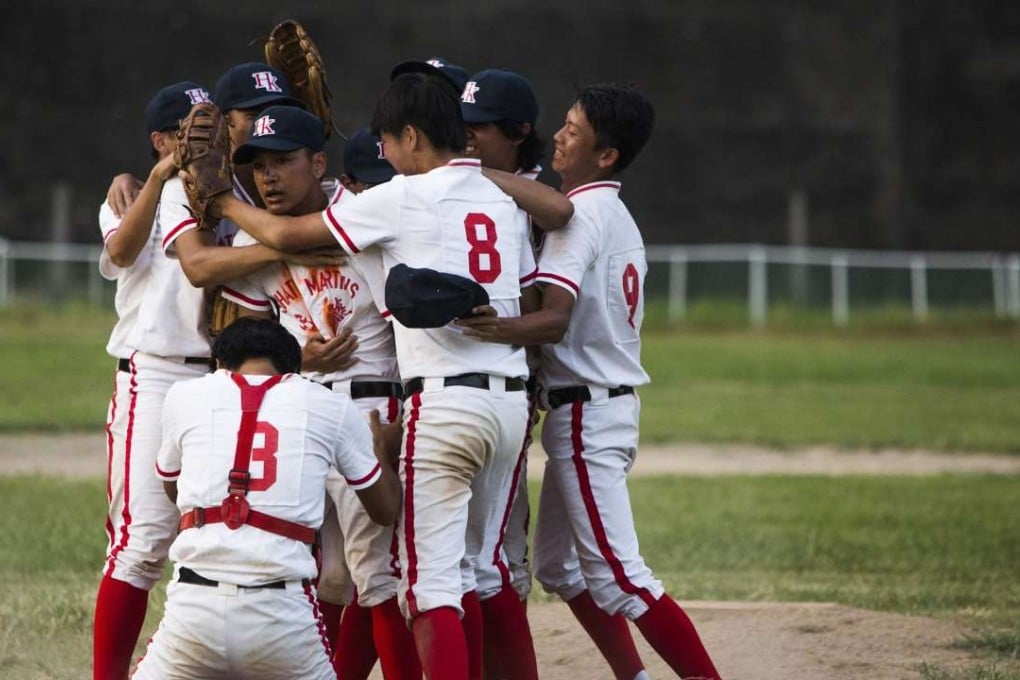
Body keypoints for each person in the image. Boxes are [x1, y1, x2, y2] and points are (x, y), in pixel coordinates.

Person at [199, 72, 575, 680]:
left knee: (424, 587)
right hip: (507, 403)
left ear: (409, 135)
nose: (388, 157)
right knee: (476, 572)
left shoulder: (402, 196)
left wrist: (219, 198)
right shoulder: (501, 200)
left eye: (390, 143)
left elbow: (291, 235)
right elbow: (529, 293)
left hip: (441, 401)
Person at [456, 84, 722, 680]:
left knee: (621, 576)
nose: (560, 135)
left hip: (587, 414)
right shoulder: (615, 211)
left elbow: (553, 320)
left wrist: (486, 329)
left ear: (606, 154)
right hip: (600, 406)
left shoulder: (583, 216)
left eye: (574, 130)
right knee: (558, 568)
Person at [219, 106, 418, 679]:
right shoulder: (258, 230)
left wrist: (403, 410)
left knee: (377, 575)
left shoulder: (361, 218)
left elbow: (405, 326)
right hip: (298, 403)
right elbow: (244, 336)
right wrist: (293, 357)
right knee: (329, 574)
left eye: (283, 161)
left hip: (367, 401)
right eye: (258, 166)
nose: (268, 177)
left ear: (319, 162)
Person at [132, 317, 401, 680]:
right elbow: (385, 511)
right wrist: (383, 450)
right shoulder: (327, 404)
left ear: (218, 364)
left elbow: (172, 488)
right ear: (295, 368)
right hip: (282, 610)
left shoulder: (185, 395)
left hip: (195, 604)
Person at [92, 80, 217, 680]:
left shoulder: (230, 190)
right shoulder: (128, 196)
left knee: (212, 542)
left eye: (209, 123)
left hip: (221, 377)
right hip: (155, 375)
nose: (202, 135)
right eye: (189, 127)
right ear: (161, 139)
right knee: (142, 544)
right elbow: (120, 254)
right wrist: (159, 176)